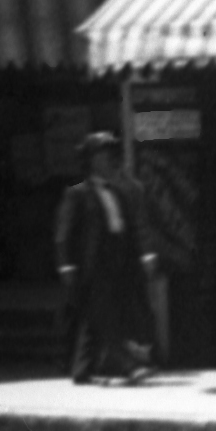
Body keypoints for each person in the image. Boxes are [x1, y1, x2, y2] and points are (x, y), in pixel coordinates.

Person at [56, 128, 153, 385]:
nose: (109, 159)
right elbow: (64, 232)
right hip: (94, 264)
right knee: (106, 316)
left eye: (111, 154)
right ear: (91, 160)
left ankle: (82, 369)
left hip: (117, 262)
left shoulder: (118, 192)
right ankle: (128, 365)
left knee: (94, 318)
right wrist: (65, 263)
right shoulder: (77, 194)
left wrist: (143, 255)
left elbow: (128, 227)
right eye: (102, 154)